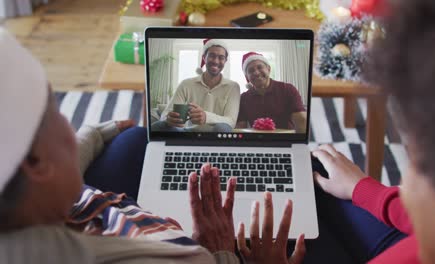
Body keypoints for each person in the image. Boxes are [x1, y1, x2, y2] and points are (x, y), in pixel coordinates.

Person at [0, 28, 306, 264]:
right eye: (56, 116)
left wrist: (92, 133)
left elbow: (228, 120)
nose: (71, 125)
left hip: (110, 200)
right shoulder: (181, 258)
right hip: (197, 238)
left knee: (139, 134)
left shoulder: (44, 202)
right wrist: (222, 253)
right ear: (36, 162)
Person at [238, 0, 435, 263]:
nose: (405, 183)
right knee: (313, 167)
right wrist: (363, 189)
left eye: (421, 166)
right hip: (409, 235)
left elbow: (299, 123)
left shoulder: (287, 88)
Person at [151, 39, 240, 133]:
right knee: (158, 126)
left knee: (223, 128)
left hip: (215, 134)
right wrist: (168, 118)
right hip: (188, 133)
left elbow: (231, 121)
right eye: (212, 56)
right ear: (204, 57)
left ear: (225, 61)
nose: (216, 61)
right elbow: (165, 114)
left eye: (221, 57)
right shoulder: (186, 84)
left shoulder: (233, 87)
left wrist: (206, 116)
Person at [236, 52, 307, 133]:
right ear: (247, 77)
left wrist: (298, 143)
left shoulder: (287, 89)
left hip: (285, 139)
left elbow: (301, 120)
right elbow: (240, 128)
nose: (256, 73)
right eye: (251, 70)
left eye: (260, 67)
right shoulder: (243, 98)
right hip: (257, 140)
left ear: (268, 69)